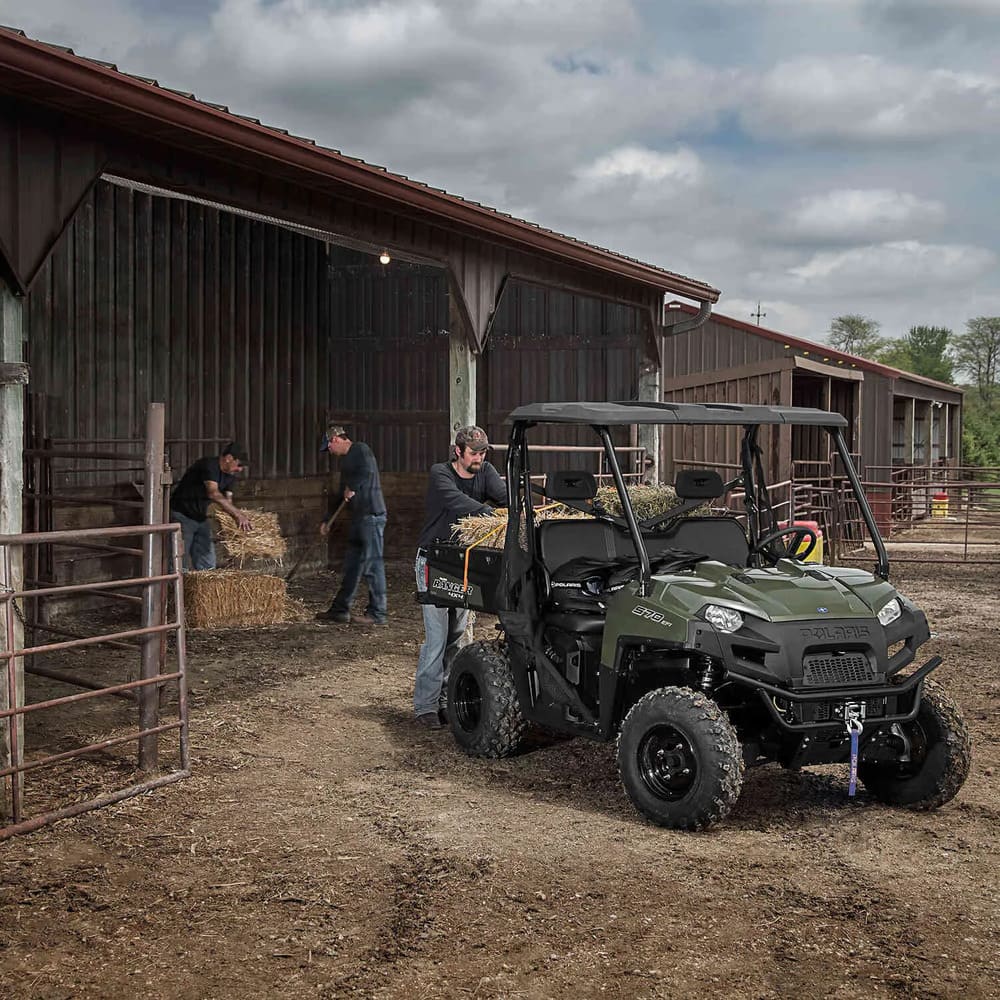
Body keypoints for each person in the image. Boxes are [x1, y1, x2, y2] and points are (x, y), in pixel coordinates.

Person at [413, 425, 506, 729]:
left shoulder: (486, 470)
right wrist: (493, 517)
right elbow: (457, 503)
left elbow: (503, 496)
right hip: (434, 559)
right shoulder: (440, 474)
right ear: (458, 451)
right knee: (437, 639)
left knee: (456, 636)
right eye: (474, 452)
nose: (479, 457)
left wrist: (522, 506)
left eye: (482, 452)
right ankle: (425, 706)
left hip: (464, 563)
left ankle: (445, 701)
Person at [315, 424, 388, 626]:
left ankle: (378, 613)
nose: (329, 451)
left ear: (336, 439)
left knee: (373, 565)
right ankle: (340, 609)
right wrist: (327, 520)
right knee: (353, 566)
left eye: (329, 446)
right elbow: (341, 494)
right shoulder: (347, 461)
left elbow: (366, 471)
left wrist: (353, 487)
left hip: (372, 516)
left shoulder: (361, 450)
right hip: (359, 519)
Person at [169, 442, 252, 570]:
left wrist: (232, 527)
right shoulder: (209, 465)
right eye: (239, 465)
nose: (240, 469)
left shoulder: (230, 476)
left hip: (200, 517)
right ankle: (176, 588)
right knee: (179, 560)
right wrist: (239, 515)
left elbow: (228, 501)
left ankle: (202, 587)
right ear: (228, 458)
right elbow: (213, 493)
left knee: (207, 563)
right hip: (182, 515)